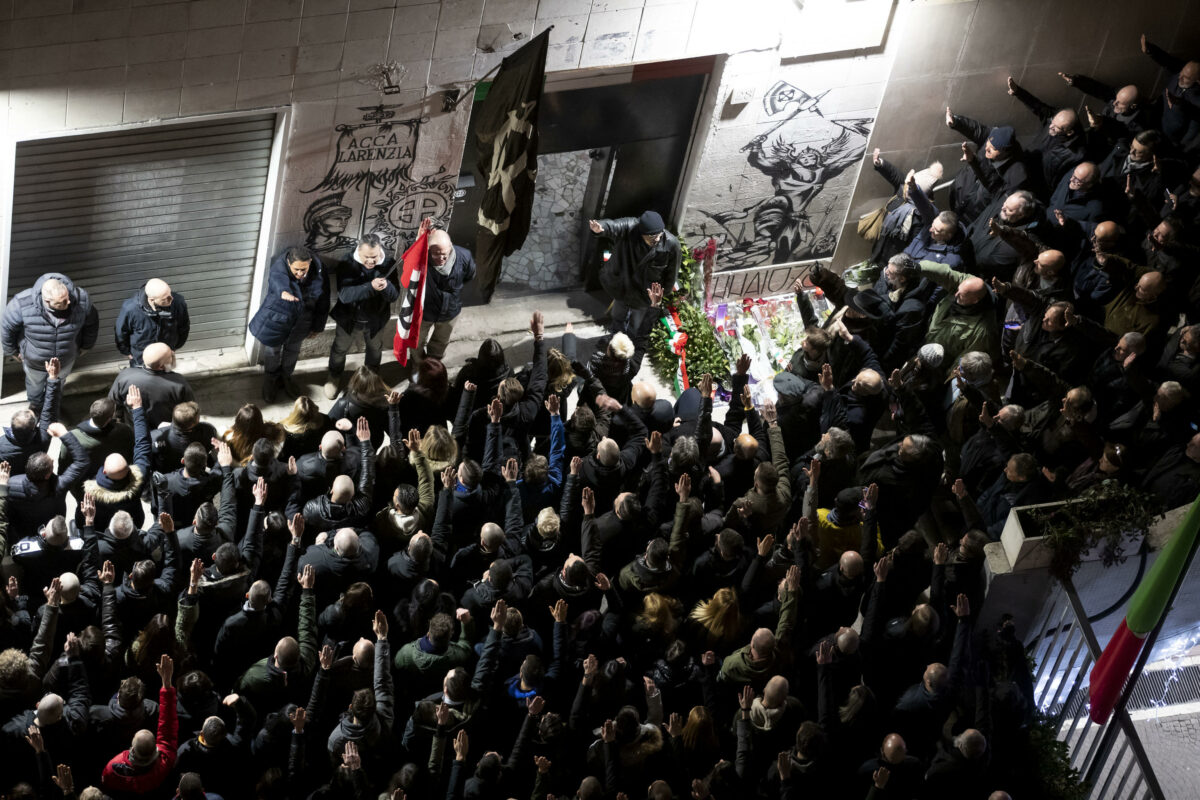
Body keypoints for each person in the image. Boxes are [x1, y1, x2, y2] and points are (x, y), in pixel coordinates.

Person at [1, 273, 99, 411]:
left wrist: (87, 346)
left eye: (67, 298)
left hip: (65, 359)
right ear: (47, 301)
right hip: (35, 361)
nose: (68, 302)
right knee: (35, 384)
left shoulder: (82, 299)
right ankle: (36, 404)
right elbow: (7, 329)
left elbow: (92, 324)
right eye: (62, 302)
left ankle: (53, 403)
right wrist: (12, 351)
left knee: (59, 382)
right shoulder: (21, 303)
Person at [249, 245, 331, 403]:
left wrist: (318, 326)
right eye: (296, 270)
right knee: (272, 351)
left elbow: (324, 300)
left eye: (304, 269)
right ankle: (270, 379)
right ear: (288, 263)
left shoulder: (320, 271)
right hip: (278, 319)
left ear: (310, 262)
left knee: (293, 351)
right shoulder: (280, 266)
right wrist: (284, 291)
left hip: (303, 320)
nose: (300, 274)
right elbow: (277, 279)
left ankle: (286, 377)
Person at [326, 234, 399, 399]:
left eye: (375, 257)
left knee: (374, 350)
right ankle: (334, 375)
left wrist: (386, 286)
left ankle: (371, 380)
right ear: (358, 251)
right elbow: (345, 295)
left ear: (380, 251)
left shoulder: (389, 263)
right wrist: (371, 287)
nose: (371, 261)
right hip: (349, 319)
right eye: (367, 257)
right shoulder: (347, 263)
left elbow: (394, 296)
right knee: (339, 349)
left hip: (376, 320)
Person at [399, 229, 476, 378]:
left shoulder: (464, 256)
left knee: (441, 342)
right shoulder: (421, 259)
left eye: (444, 254)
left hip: (450, 311)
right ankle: (418, 365)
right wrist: (418, 244)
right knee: (416, 342)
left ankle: (433, 365)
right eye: (436, 254)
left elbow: (470, 275)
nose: (441, 258)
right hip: (424, 312)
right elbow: (407, 272)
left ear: (451, 247)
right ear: (428, 249)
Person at [590, 211, 681, 334]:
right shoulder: (631, 227)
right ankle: (615, 338)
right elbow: (613, 225)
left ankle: (631, 341)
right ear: (641, 233)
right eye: (651, 236)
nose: (657, 239)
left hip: (645, 292)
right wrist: (601, 228)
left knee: (636, 325)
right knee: (617, 316)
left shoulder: (671, 244)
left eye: (659, 234)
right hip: (623, 285)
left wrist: (662, 294)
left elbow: (672, 273)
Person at [106, 343, 195, 430]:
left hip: (135, 429)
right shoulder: (179, 383)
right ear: (161, 366)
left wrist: (119, 426)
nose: (173, 353)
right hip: (165, 432)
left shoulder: (125, 376)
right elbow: (190, 411)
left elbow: (112, 405)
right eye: (170, 356)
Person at [114, 278, 190, 366]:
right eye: (165, 299)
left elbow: (184, 327)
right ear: (151, 300)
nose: (171, 299)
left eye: (170, 294)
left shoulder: (178, 302)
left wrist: (175, 347)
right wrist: (127, 352)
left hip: (165, 357)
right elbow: (121, 332)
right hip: (140, 359)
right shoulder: (131, 309)